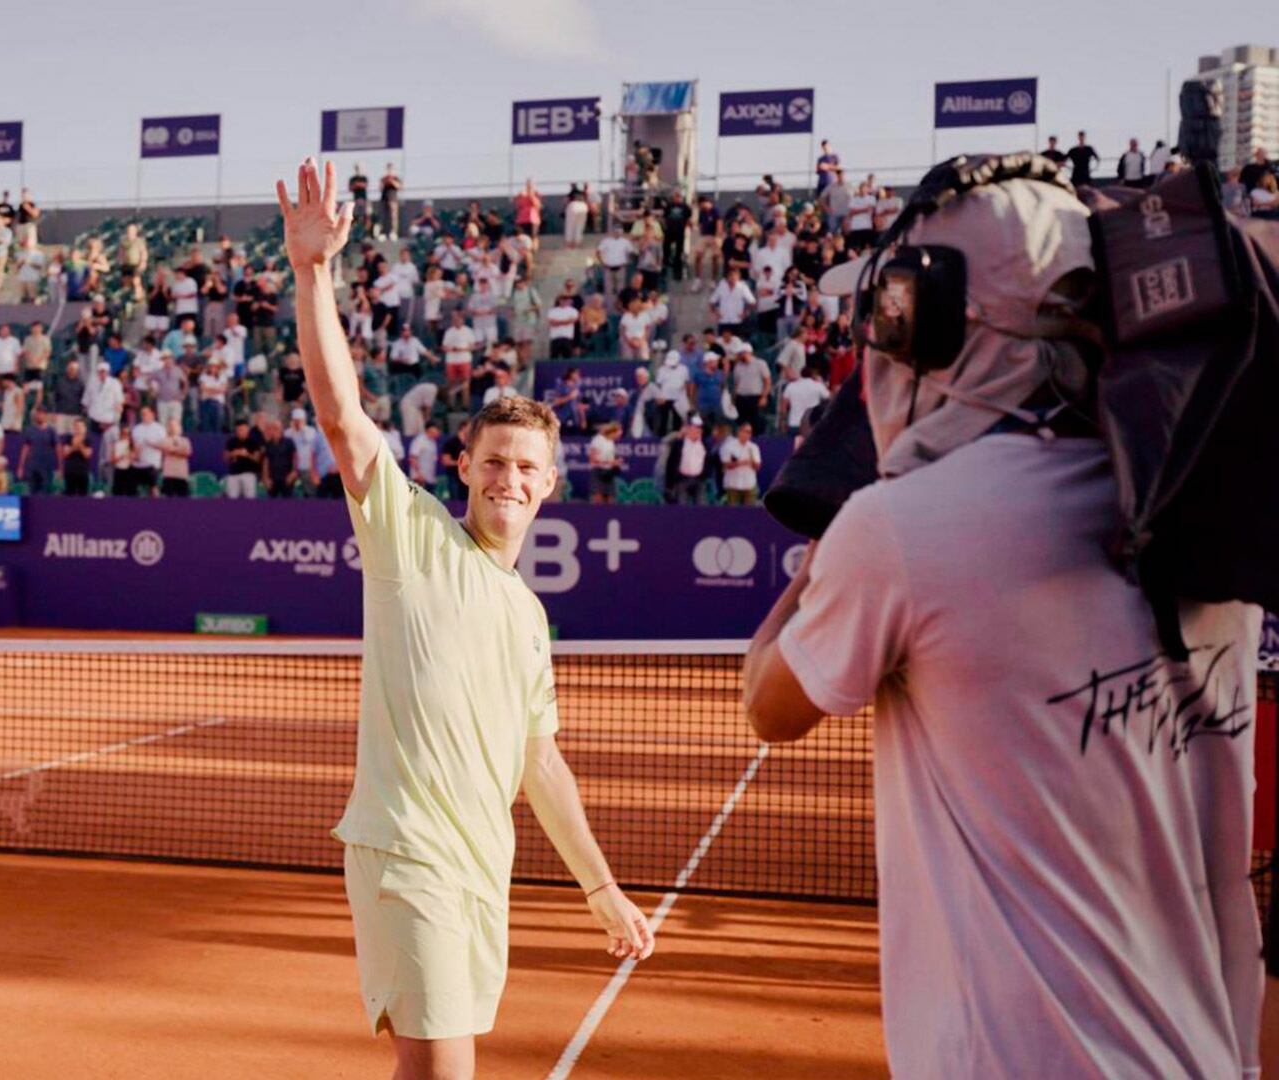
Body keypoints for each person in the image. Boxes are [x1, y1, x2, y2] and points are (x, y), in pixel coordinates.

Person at [743, 168, 1262, 1078]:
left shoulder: (901, 531)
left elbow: (769, 704)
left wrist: (843, 518)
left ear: (940, 317)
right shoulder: (1208, 503)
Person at [277, 158, 649, 1080]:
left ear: (551, 485)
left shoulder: (526, 615)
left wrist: (600, 889)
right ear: (464, 467)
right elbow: (339, 413)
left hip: (486, 871)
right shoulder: (413, 538)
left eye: (527, 467)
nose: (508, 478)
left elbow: (540, 760)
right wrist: (313, 271)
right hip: (408, 853)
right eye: (493, 462)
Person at [718, 422, 761, 505]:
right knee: (732, 513)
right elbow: (726, 465)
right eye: (746, 431)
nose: (748, 434)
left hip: (749, 485)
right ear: (739, 432)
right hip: (733, 484)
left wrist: (752, 462)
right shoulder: (728, 446)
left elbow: (757, 467)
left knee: (749, 513)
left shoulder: (754, 447)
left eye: (749, 432)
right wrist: (741, 463)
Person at [223, 419, 263, 499]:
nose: (240, 431)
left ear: (247, 430)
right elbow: (225, 458)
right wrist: (233, 453)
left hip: (248, 475)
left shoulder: (253, 442)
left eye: (243, 429)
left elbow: (257, 459)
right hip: (233, 475)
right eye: (238, 430)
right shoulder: (231, 442)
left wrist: (246, 454)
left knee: (250, 499)